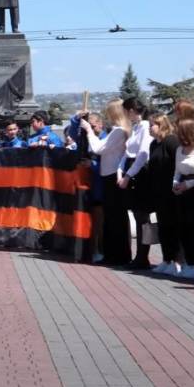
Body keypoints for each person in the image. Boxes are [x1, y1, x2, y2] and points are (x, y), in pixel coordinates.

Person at [79, 100, 130, 266]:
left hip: (112, 175)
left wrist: (88, 130)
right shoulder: (119, 131)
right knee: (114, 218)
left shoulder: (118, 131)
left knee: (115, 219)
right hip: (110, 174)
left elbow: (98, 148)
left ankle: (117, 254)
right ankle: (116, 253)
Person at [118, 97, 154, 269]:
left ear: (132, 110)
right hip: (131, 168)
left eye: (126, 111)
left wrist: (128, 175)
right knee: (138, 215)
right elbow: (128, 151)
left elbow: (143, 154)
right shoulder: (136, 127)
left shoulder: (145, 127)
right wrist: (121, 170)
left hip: (140, 173)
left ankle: (143, 255)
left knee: (142, 217)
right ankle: (139, 255)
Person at [172, 119, 194, 279]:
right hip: (182, 189)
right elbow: (177, 170)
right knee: (183, 226)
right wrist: (175, 183)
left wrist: (189, 184)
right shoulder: (179, 149)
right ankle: (188, 261)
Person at [147, 113, 182, 275]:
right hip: (158, 191)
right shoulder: (154, 144)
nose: (149, 127)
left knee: (174, 225)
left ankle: (177, 260)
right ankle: (166, 259)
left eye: (152, 124)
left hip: (171, 191)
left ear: (161, 125)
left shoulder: (171, 141)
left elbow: (178, 163)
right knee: (163, 226)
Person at [70, 111, 107, 261]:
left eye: (91, 126)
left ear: (100, 124)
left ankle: (100, 250)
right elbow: (73, 132)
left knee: (100, 223)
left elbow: (108, 166)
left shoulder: (105, 139)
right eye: (86, 126)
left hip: (100, 186)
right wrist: (77, 118)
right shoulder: (85, 139)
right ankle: (90, 250)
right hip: (86, 186)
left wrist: (92, 165)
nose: (88, 129)